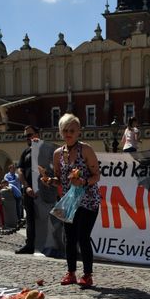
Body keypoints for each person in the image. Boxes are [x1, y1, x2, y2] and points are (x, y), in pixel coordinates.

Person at [54, 113, 101, 288]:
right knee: (69, 238)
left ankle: (87, 274)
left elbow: (97, 175)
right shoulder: (58, 153)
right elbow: (60, 178)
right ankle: (71, 272)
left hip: (88, 200)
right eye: (65, 130)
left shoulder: (86, 150)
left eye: (72, 130)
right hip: (69, 201)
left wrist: (83, 182)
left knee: (83, 237)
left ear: (78, 132)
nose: (68, 133)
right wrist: (51, 181)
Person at [15, 125, 57, 255]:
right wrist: (26, 186)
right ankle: (30, 245)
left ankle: (48, 244)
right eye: (25, 136)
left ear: (38, 134)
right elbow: (20, 170)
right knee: (31, 219)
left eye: (30, 134)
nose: (27, 138)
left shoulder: (48, 150)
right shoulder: (26, 152)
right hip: (29, 191)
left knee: (46, 218)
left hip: (45, 191)